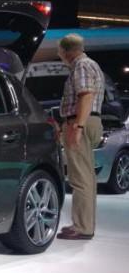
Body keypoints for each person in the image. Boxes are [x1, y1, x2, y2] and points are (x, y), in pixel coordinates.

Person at [56, 33, 105, 240]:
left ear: (66, 51)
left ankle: (82, 227)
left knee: (80, 178)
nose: (59, 55)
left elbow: (86, 95)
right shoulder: (91, 64)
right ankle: (84, 224)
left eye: (59, 51)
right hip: (89, 121)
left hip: (81, 122)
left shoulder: (81, 65)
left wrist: (77, 126)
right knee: (86, 177)